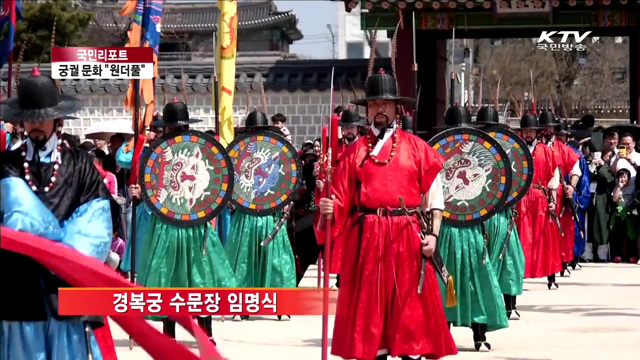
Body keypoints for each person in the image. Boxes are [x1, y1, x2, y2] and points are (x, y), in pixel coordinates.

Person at [317, 68, 457, 360]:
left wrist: (433, 234)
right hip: (367, 236)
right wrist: (328, 209)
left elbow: (435, 198)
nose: (379, 109)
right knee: (371, 307)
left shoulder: (417, 149)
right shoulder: (354, 152)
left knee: (410, 307)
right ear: (367, 111)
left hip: (406, 233)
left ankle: (410, 352)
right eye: (373, 104)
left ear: (397, 108)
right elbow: (341, 200)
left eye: (385, 104)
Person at [0, 68, 116, 359]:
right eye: (30, 118)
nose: (36, 124)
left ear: (58, 119)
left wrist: (62, 258)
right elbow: (12, 216)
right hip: (19, 283)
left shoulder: (79, 164)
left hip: (67, 282)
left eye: (43, 117)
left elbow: (96, 224)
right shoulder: (7, 164)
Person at [122, 99, 237, 344]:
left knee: (201, 279)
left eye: (178, 128)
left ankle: (206, 333)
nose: (174, 132)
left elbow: (217, 180)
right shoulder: (154, 153)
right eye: (171, 128)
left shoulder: (202, 149)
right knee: (168, 278)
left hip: (196, 223)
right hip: (165, 223)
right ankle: (169, 334)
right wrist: (139, 193)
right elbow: (148, 186)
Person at [431, 105, 508, 351]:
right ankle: (441, 331)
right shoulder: (435, 155)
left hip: (472, 226)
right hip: (444, 227)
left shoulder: (479, 154)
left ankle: (480, 332)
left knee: (477, 277)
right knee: (444, 278)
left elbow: (490, 190)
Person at [224, 109, 297, 321]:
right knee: (243, 261)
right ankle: (241, 304)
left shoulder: (278, 152)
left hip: (271, 214)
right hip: (245, 214)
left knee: (276, 261)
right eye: (252, 130)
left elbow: (289, 182)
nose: (255, 134)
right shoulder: (237, 154)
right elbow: (231, 182)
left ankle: (281, 303)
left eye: (259, 130)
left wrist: (287, 201)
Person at [473, 105, 526, 321]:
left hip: (502, 213)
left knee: (509, 260)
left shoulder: (507, 151)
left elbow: (516, 180)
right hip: (478, 214)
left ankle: (507, 304)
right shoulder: (472, 148)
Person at [315, 106, 366, 288]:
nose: (348, 131)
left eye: (351, 127)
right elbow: (332, 182)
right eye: (345, 128)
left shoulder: (366, 149)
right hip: (342, 207)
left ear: (358, 128)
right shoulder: (336, 152)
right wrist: (323, 186)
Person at [515, 113, 561, 289]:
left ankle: (551, 275)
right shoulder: (515, 150)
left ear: (537, 133)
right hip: (521, 198)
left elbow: (553, 179)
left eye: (531, 131)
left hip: (540, 196)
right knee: (522, 236)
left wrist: (553, 201)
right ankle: (520, 273)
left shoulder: (546, 151)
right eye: (525, 130)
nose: (528, 134)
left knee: (544, 236)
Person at [538, 111, 581, 277]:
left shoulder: (562, 149)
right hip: (536, 193)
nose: (547, 131)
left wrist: (572, 185)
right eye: (544, 128)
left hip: (559, 194)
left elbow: (575, 170)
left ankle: (560, 263)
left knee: (559, 230)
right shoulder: (533, 148)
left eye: (550, 128)